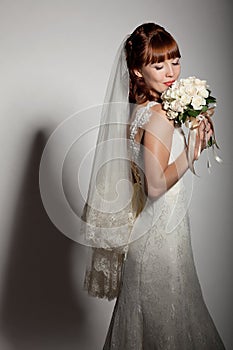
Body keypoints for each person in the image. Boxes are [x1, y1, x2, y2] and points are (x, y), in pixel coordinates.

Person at [82, 23, 226, 349]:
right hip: (160, 239)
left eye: (174, 60)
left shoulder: (140, 112)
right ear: (137, 70)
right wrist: (192, 152)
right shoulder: (158, 115)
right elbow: (156, 185)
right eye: (158, 64)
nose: (170, 71)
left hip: (149, 232)